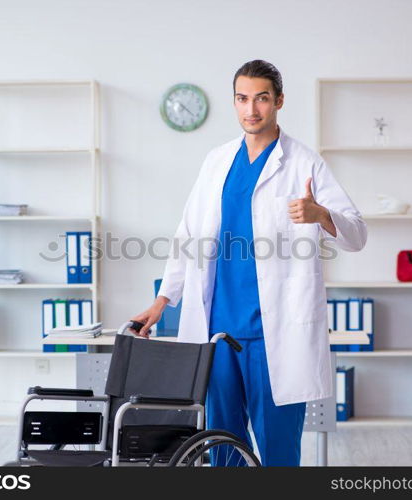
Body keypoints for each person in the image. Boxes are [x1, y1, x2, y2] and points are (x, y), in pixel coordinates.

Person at [130, 60, 367, 466]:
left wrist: (321, 215)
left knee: (277, 453)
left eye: (261, 98)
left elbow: (357, 234)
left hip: (275, 335)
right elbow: (187, 235)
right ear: (234, 102)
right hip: (219, 334)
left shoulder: (303, 163)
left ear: (278, 101)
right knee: (222, 450)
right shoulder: (217, 162)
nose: (251, 109)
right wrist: (162, 301)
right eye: (242, 99)